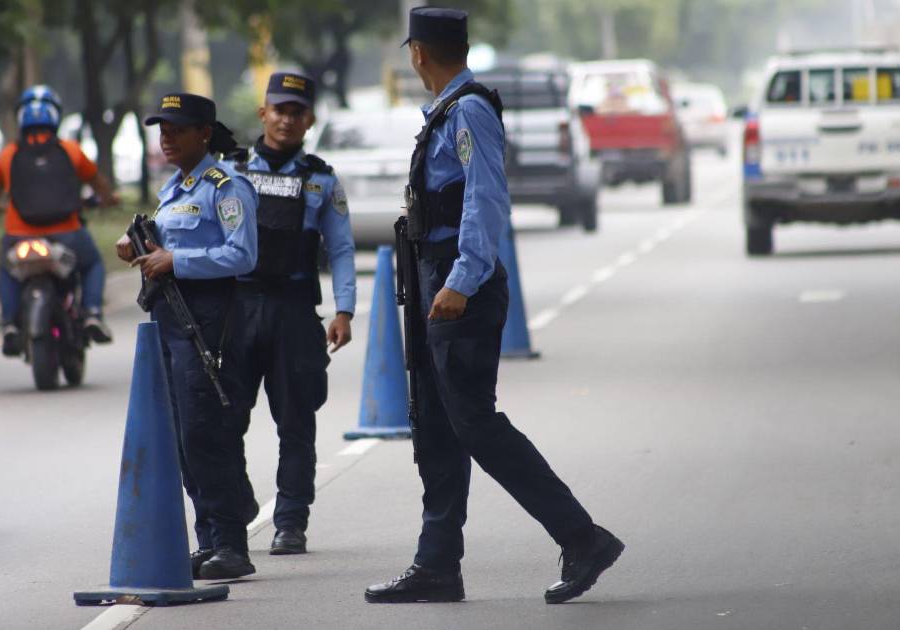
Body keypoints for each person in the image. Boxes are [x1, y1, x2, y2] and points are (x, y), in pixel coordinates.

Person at [364, 7, 624, 605]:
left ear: (418, 53)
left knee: (474, 423)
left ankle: (582, 537)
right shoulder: (446, 110)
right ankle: (436, 565)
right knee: (436, 425)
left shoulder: (469, 111)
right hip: (434, 279)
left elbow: (485, 199)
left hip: (460, 285)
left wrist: (461, 281)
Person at [115, 92, 262, 580]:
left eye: (177, 130)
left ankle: (232, 543)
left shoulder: (226, 186)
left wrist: (174, 260)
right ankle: (210, 540)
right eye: (163, 130)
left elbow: (242, 254)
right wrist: (137, 243)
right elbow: (166, 241)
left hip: (210, 320)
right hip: (172, 319)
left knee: (206, 430)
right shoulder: (174, 189)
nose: (167, 138)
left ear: (204, 132)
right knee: (182, 435)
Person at [220, 72, 357, 556]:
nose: (286, 120)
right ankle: (235, 509)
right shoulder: (230, 171)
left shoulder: (322, 179)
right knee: (225, 419)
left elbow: (340, 248)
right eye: (279, 110)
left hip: (295, 311)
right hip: (237, 309)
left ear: (309, 120)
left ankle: (291, 521)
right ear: (264, 114)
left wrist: (344, 310)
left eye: (297, 112)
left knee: (297, 422)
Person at [0, 85, 117, 355]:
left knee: (8, 271)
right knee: (92, 264)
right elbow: (98, 183)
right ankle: (92, 312)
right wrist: (108, 199)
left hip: (18, 237)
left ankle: (9, 324)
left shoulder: (7, 155)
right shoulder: (71, 150)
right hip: (68, 234)